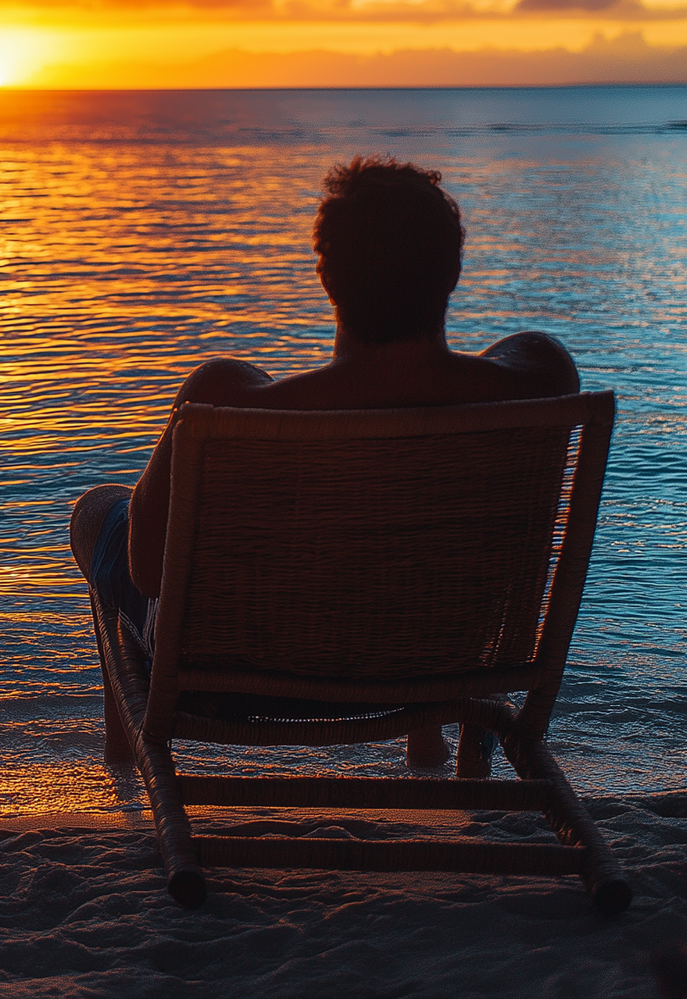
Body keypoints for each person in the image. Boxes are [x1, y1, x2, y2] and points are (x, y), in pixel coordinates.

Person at [68, 154, 579, 767]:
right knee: (408, 528)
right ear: (452, 272)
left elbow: (148, 572)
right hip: (449, 656)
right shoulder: (539, 384)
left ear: (326, 274)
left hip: (236, 675)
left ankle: (124, 761)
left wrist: (235, 386)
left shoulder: (228, 400)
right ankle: (431, 738)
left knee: (98, 511)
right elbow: (525, 349)